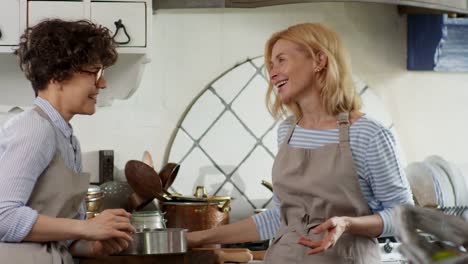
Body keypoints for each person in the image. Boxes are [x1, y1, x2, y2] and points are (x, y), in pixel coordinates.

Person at [186, 23, 414, 263]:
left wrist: (347, 224)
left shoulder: (367, 134)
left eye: (281, 60)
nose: (272, 73)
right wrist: (198, 238)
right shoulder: (287, 131)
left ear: (319, 61)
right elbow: (279, 218)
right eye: (271, 65)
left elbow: (405, 218)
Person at [0, 19, 135, 263]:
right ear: (57, 76)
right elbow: (3, 218)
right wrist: (87, 228)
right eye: (95, 73)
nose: (102, 84)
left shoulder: (65, 137)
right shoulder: (34, 129)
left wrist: (91, 246)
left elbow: (55, 236)